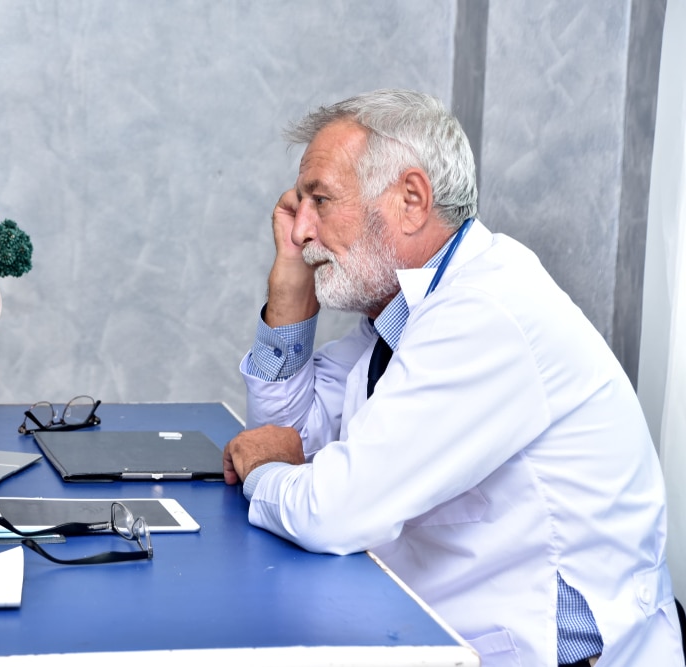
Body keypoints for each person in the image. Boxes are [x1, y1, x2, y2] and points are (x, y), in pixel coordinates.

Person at [222, 88, 684, 667]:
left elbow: (329, 508)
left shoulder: (485, 313)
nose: (300, 230)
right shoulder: (399, 314)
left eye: (320, 200)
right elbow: (288, 435)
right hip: (437, 631)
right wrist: (288, 290)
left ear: (412, 199)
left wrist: (265, 471)